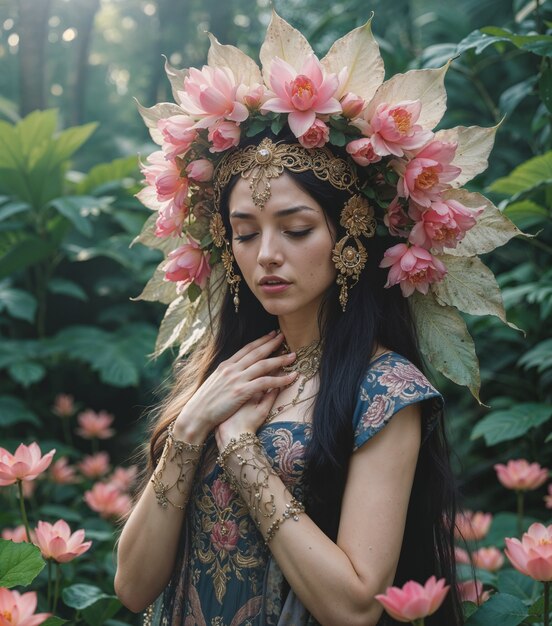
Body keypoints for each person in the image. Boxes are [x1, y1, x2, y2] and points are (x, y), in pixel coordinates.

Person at [115, 11, 515, 626]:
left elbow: (354, 606)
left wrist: (242, 448)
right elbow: (133, 588)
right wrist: (191, 429)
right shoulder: (219, 378)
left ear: (351, 233)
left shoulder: (385, 392)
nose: (266, 254)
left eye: (296, 229)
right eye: (244, 234)